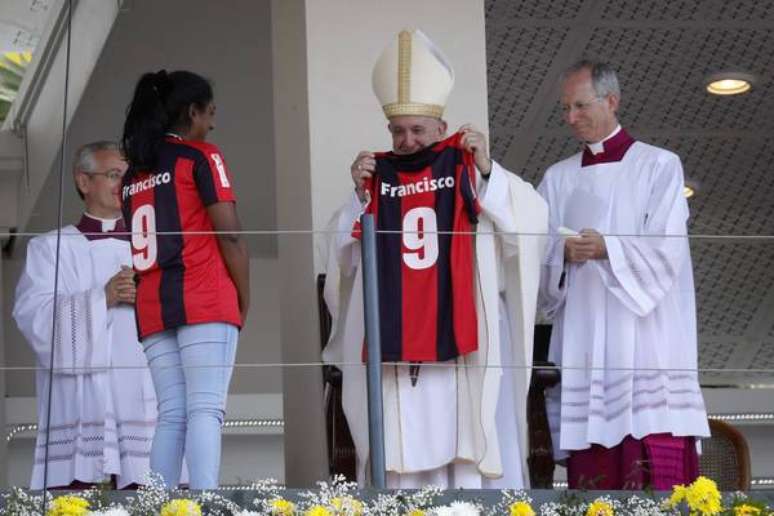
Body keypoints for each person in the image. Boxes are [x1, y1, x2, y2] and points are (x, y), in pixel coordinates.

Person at [321, 29, 548, 489]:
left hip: (458, 338)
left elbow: (532, 221)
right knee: (399, 455)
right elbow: (337, 254)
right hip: (397, 345)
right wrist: (357, 195)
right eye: (398, 131)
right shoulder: (374, 179)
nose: (407, 141)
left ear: (442, 130)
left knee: (462, 454)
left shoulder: (467, 167)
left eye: (418, 131)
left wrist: (486, 171)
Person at [538, 60, 710, 490]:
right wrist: (561, 251)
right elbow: (531, 248)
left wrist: (607, 248)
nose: (570, 118)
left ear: (611, 101)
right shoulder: (557, 179)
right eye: (566, 108)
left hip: (647, 342)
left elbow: (666, 249)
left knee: (652, 469)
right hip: (586, 343)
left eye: (580, 106)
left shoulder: (658, 165)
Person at [121, 70, 249, 489]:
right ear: (192, 111)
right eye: (209, 113)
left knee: (172, 413)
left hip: (153, 305)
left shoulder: (131, 177)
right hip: (204, 295)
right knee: (206, 409)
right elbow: (229, 233)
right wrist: (243, 296)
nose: (211, 124)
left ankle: (160, 504)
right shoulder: (200, 156)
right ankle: (205, 502)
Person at [13, 141, 156, 489]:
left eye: (128, 176)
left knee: (149, 492)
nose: (122, 185)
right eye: (112, 175)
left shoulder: (152, 246)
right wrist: (101, 298)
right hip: (78, 396)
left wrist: (149, 298)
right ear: (83, 181)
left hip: (140, 388)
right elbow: (33, 317)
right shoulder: (50, 248)